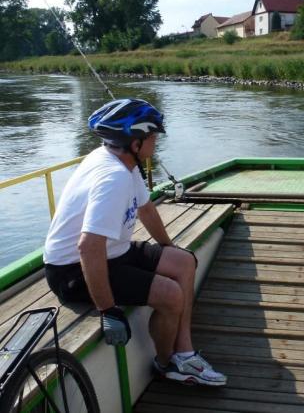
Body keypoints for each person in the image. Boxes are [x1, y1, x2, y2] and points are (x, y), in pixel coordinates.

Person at [43, 98, 226, 387]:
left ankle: (185, 352)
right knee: (171, 295)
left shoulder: (126, 163)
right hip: (73, 271)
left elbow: (146, 209)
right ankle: (168, 366)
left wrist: (169, 247)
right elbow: (87, 246)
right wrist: (107, 310)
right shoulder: (113, 176)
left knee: (184, 261)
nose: (156, 140)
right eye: (152, 135)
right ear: (135, 141)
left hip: (113, 253)